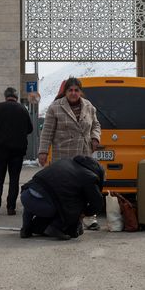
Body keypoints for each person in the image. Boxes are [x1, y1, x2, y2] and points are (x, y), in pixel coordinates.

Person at [37, 77, 102, 229]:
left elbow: (96, 125)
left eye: (76, 90)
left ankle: (89, 219)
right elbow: (47, 132)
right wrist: (43, 152)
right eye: (70, 90)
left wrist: (95, 138)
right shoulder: (55, 107)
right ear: (65, 92)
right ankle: (63, 218)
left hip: (84, 156)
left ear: (80, 92)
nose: (73, 93)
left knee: (86, 186)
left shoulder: (89, 107)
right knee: (64, 189)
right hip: (63, 157)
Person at [19, 156, 104, 240]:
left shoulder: (65, 161)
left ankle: (26, 228)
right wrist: (84, 213)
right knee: (76, 205)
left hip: (26, 195)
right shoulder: (90, 177)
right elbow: (97, 203)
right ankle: (56, 227)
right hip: (45, 206)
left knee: (35, 191)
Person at [0, 87, 33, 216]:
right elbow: (30, 129)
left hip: (0, 149)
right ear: (16, 97)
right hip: (17, 150)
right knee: (14, 179)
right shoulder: (23, 109)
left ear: (5, 96)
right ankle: (11, 208)